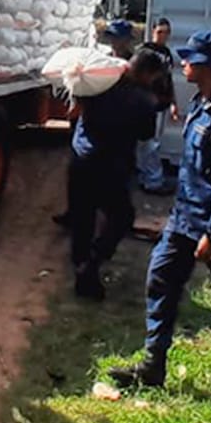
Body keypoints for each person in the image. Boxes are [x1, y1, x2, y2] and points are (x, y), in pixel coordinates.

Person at [109, 32, 211, 388]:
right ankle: (153, 366)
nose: (183, 63)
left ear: (209, 67)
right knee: (160, 278)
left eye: (190, 58)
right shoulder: (200, 103)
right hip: (185, 217)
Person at [67, 50, 163, 300]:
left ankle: (81, 269)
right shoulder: (143, 100)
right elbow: (145, 135)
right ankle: (93, 262)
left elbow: (78, 104)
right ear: (147, 73)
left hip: (81, 160)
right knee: (121, 216)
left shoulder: (98, 83)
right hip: (111, 166)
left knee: (82, 218)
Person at [136, 18, 180, 194]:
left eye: (166, 33)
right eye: (160, 32)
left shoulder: (167, 53)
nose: (163, 36)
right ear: (152, 31)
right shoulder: (144, 52)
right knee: (148, 144)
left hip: (162, 103)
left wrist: (174, 103)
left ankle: (146, 177)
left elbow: (169, 79)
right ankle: (153, 180)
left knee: (152, 143)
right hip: (147, 106)